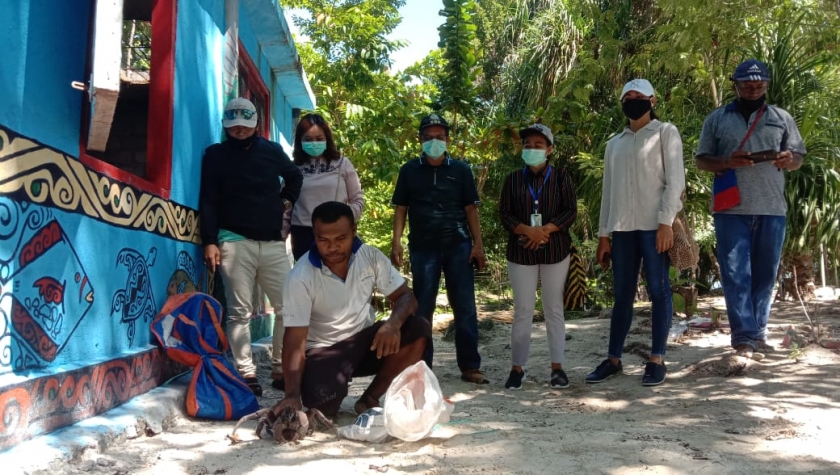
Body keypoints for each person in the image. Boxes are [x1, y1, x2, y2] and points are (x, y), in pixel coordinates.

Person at [270, 201, 431, 417]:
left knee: (418, 328)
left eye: (341, 239)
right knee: (322, 406)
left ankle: (370, 398)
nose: (332, 247)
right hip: (324, 350)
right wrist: (291, 395)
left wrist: (393, 324)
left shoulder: (370, 257)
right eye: (323, 240)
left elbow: (406, 297)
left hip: (366, 342)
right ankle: (327, 388)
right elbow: (294, 339)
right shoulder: (300, 276)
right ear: (314, 236)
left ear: (354, 231)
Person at [695, 59, 805, 358]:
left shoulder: (781, 117)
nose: (754, 89)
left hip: (772, 208)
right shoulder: (716, 119)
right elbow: (702, 160)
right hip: (731, 210)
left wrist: (788, 159)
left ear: (766, 85)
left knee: (765, 275)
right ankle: (743, 337)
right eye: (747, 84)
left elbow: (798, 157)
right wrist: (727, 161)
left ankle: (758, 334)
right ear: (736, 85)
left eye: (759, 85)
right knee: (735, 274)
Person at [199, 97, 302, 396]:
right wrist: (210, 240)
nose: (240, 130)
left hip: (271, 241)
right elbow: (208, 199)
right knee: (238, 312)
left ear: (255, 123)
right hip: (233, 241)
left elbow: (294, 175)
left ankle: (281, 368)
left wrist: (285, 201)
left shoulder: (271, 151)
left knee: (288, 307)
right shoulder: (214, 155)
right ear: (226, 126)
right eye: (234, 126)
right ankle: (247, 373)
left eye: (245, 125)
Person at [586, 79, 685, 387]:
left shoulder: (666, 133)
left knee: (659, 291)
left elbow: (676, 181)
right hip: (623, 229)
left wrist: (666, 221)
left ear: (652, 101)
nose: (632, 100)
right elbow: (608, 193)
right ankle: (613, 359)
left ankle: (656, 359)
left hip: (655, 226)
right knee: (622, 296)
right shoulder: (614, 143)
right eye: (627, 97)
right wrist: (604, 235)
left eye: (639, 96)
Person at [390, 113, 489, 384]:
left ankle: (470, 366)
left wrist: (478, 245)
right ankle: (423, 366)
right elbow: (401, 208)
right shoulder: (409, 170)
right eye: (429, 137)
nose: (435, 142)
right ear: (420, 140)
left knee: (465, 306)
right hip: (423, 249)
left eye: (440, 137)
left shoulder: (461, 170)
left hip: (459, 245)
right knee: (423, 309)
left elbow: (471, 208)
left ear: (448, 140)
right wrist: (396, 242)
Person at [499, 123, 578, 390]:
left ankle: (557, 368)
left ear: (550, 149)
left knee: (553, 308)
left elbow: (570, 212)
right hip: (520, 252)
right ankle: (517, 368)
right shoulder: (512, 179)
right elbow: (505, 214)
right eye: (527, 145)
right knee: (523, 309)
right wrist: (527, 231)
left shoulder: (562, 176)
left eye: (538, 145)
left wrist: (545, 230)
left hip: (555, 250)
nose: (531, 149)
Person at [289, 113, 365, 261]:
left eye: (319, 139)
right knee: (310, 282)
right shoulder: (293, 168)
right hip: (303, 236)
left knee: (343, 281)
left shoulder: (342, 164)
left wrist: (343, 221)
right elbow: (286, 207)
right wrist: (280, 237)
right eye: (308, 139)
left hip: (336, 233)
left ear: (327, 139)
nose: (314, 143)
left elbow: (358, 200)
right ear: (300, 141)